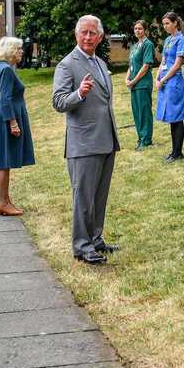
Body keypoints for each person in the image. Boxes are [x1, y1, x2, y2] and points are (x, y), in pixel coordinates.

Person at [52, 15, 120, 265]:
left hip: (106, 139)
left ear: (100, 37)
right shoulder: (67, 65)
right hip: (83, 143)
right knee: (83, 198)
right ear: (76, 34)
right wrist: (79, 94)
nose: (88, 37)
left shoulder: (101, 63)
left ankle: (95, 238)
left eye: (93, 33)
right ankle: (81, 246)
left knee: (99, 196)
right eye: (84, 33)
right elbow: (58, 102)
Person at [0, 37, 35, 217]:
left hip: (1, 115)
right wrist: (13, 123)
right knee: (4, 162)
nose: (22, 52)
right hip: (6, 117)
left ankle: (5, 201)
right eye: (19, 49)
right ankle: (3, 203)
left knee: (3, 161)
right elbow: (5, 98)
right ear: (11, 50)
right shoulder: (5, 69)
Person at [155, 12, 184, 162]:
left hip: (174, 81)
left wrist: (164, 80)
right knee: (171, 117)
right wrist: (157, 76)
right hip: (165, 80)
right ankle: (174, 151)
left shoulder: (181, 40)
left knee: (176, 116)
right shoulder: (168, 39)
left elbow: (176, 65)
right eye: (164, 24)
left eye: (168, 23)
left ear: (175, 23)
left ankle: (178, 152)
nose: (165, 26)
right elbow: (163, 60)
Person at [125, 20, 155, 150]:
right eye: (136, 28)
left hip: (142, 84)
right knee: (136, 112)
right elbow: (131, 65)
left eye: (140, 29)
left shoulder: (148, 45)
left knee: (144, 112)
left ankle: (146, 139)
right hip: (133, 85)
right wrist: (127, 79)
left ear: (145, 30)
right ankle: (140, 138)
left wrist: (134, 81)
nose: (138, 31)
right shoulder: (134, 46)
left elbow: (146, 65)